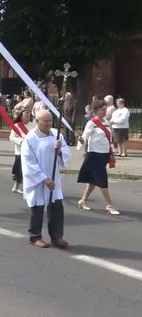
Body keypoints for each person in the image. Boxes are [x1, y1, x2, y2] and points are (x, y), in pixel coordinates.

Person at [21, 109, 71, 249]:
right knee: (38, 207)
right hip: (38, 179)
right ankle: (35, 236)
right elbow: (28, 162)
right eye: (46, 121)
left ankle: (57, 236)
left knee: (56, 207)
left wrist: (60, 150)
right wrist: (43, 178)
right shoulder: (30, 139)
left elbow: (67, 153)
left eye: (50, 120)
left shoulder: (56, 134)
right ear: (37, 121)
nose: (49, 123)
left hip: (54, 176)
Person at [77, 100, 120, 215]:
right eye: (102, 110)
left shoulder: (106, 122)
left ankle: (83, 200)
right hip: (94, 155)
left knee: (93, 181)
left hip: (104, 155)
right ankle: (110, 205)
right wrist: (82, 140)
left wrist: (112, 153)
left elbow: (109, 139)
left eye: (105, 110)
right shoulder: (91, 123)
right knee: (101, 179)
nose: (105, 112)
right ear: (95, 111)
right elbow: (85, 136)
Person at [9, 110, 35, 193]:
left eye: (28, 116)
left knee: (30, 170)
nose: (27, 118)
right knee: (19, 170)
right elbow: (12, 138)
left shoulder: (33, 126)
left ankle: (29, 187)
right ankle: (16, 186)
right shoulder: (16, 126)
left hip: (31, 152)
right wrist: (21, 141)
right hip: (20, 151)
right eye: (25, 116)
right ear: (21, 116)